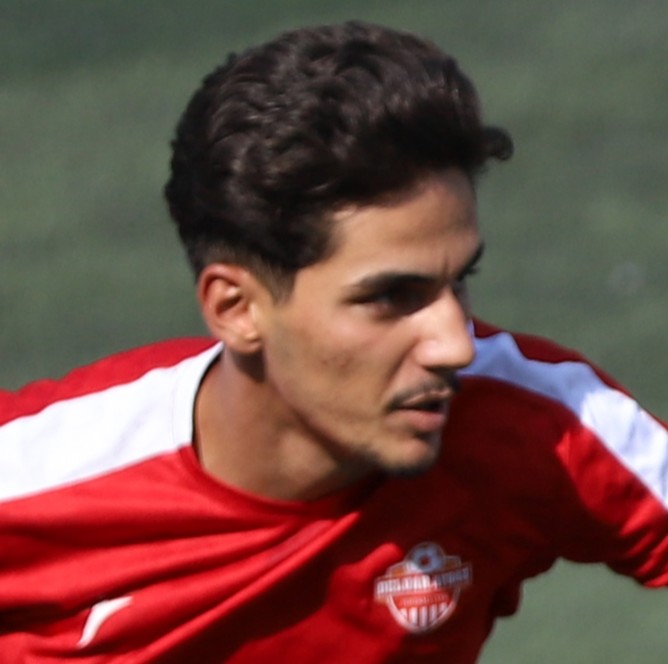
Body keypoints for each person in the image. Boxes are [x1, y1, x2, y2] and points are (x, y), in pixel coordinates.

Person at [0, 21, 666, 664]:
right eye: (391, 297)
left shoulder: (540, 422)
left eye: (460, 281)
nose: (454, 346)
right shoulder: (36, 482)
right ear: (236, 309)